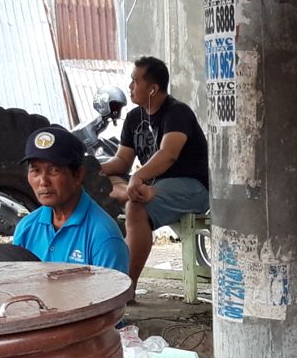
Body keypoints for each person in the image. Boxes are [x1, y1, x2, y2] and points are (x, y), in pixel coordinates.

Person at [99, 56, 211, 292]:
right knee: (100, 182)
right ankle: (131, 193)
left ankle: (125, 289)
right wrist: (93, 168)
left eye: (135, 81)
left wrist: (137, 178)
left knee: (136, 207)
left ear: (153, 88)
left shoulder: (177, 112)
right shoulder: (133, 118)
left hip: (192, 188)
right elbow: (121, 161)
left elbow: (168, 154)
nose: (130, 86)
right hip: (153, 186)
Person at [12, 125, 129, 275]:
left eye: (54, 170)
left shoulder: (104, 236)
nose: (43, 181)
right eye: (35, 170)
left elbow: (114, 297)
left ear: (78, 175)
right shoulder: (26, 228)